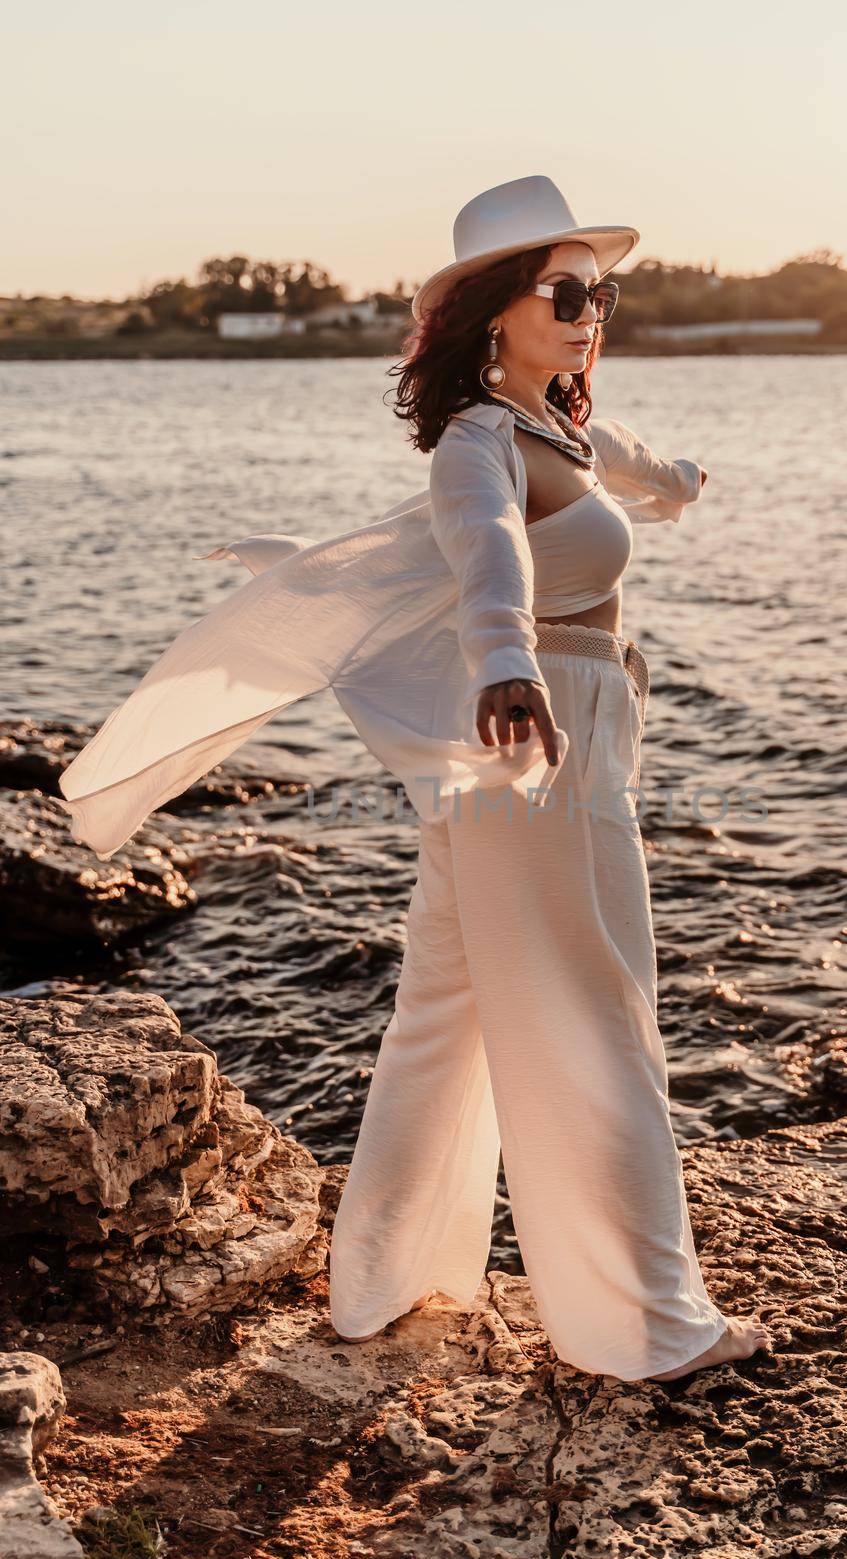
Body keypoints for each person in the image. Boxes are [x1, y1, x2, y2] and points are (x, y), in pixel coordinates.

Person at [327, 175, 773, 1382]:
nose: (590, 312)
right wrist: (507, 662)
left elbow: (638, 469)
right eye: (565, 292)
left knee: (445, 1007)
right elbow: (488, 555)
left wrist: (678, 478)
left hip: (557, 733)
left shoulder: (557, 430)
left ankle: (381, 1277)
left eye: (601, 293)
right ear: (493, 314)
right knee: (597, 1012)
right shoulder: (480, 443)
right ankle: (643, 1326)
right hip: (536, 740)